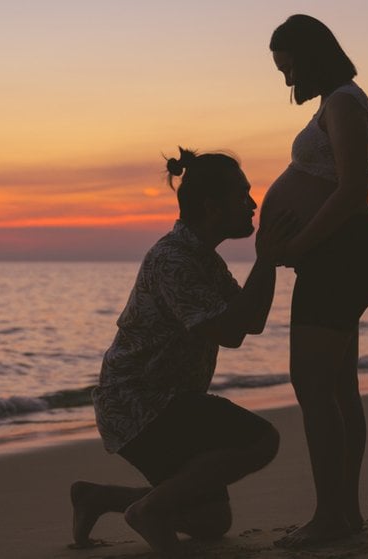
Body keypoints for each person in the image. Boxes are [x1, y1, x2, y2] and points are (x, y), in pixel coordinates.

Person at [70, 147, 295, 552]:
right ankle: (147, 511)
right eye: (242, 195)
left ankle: (99, 498)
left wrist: (269, 261)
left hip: (168, 401)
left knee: (211, 521)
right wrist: (265, 260)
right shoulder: (174, 260)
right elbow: (229, 332)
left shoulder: (203, 258)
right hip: (141, 403)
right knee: (261, 441)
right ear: (212, 207)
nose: (252, 204)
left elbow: (251, 322)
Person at [260, 15, 368, 548]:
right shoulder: (335, 102)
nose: (287, 80)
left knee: (313, 386)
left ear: (313, 56)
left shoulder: (343, 103)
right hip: (336, 255)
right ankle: (345, 512)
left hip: (344, 255)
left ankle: (329, 516)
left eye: (289, 67)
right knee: (337, 388)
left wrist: (297, 246)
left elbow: (353, 190)